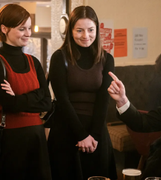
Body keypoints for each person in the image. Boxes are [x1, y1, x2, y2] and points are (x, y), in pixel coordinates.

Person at [47, 6, 117, 180]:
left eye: (90, 30)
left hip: (96, 131)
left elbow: (104, 100)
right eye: (79, 30)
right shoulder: (59, 57)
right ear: (71, 31)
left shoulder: (107, 59)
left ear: (97, 30)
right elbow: (62, 99)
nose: (86, 36)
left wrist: (94, 135)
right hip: (66, 129)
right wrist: (82, 135)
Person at [0, 4, 52, 180]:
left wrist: (17, 97)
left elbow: (47, 103)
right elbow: (9, 104)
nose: (28, 33)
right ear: (4, 29)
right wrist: (30, 99)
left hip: (37, 136)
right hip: (11, 138)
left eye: (29, 28)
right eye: (22, 29)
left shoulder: (33, 61)